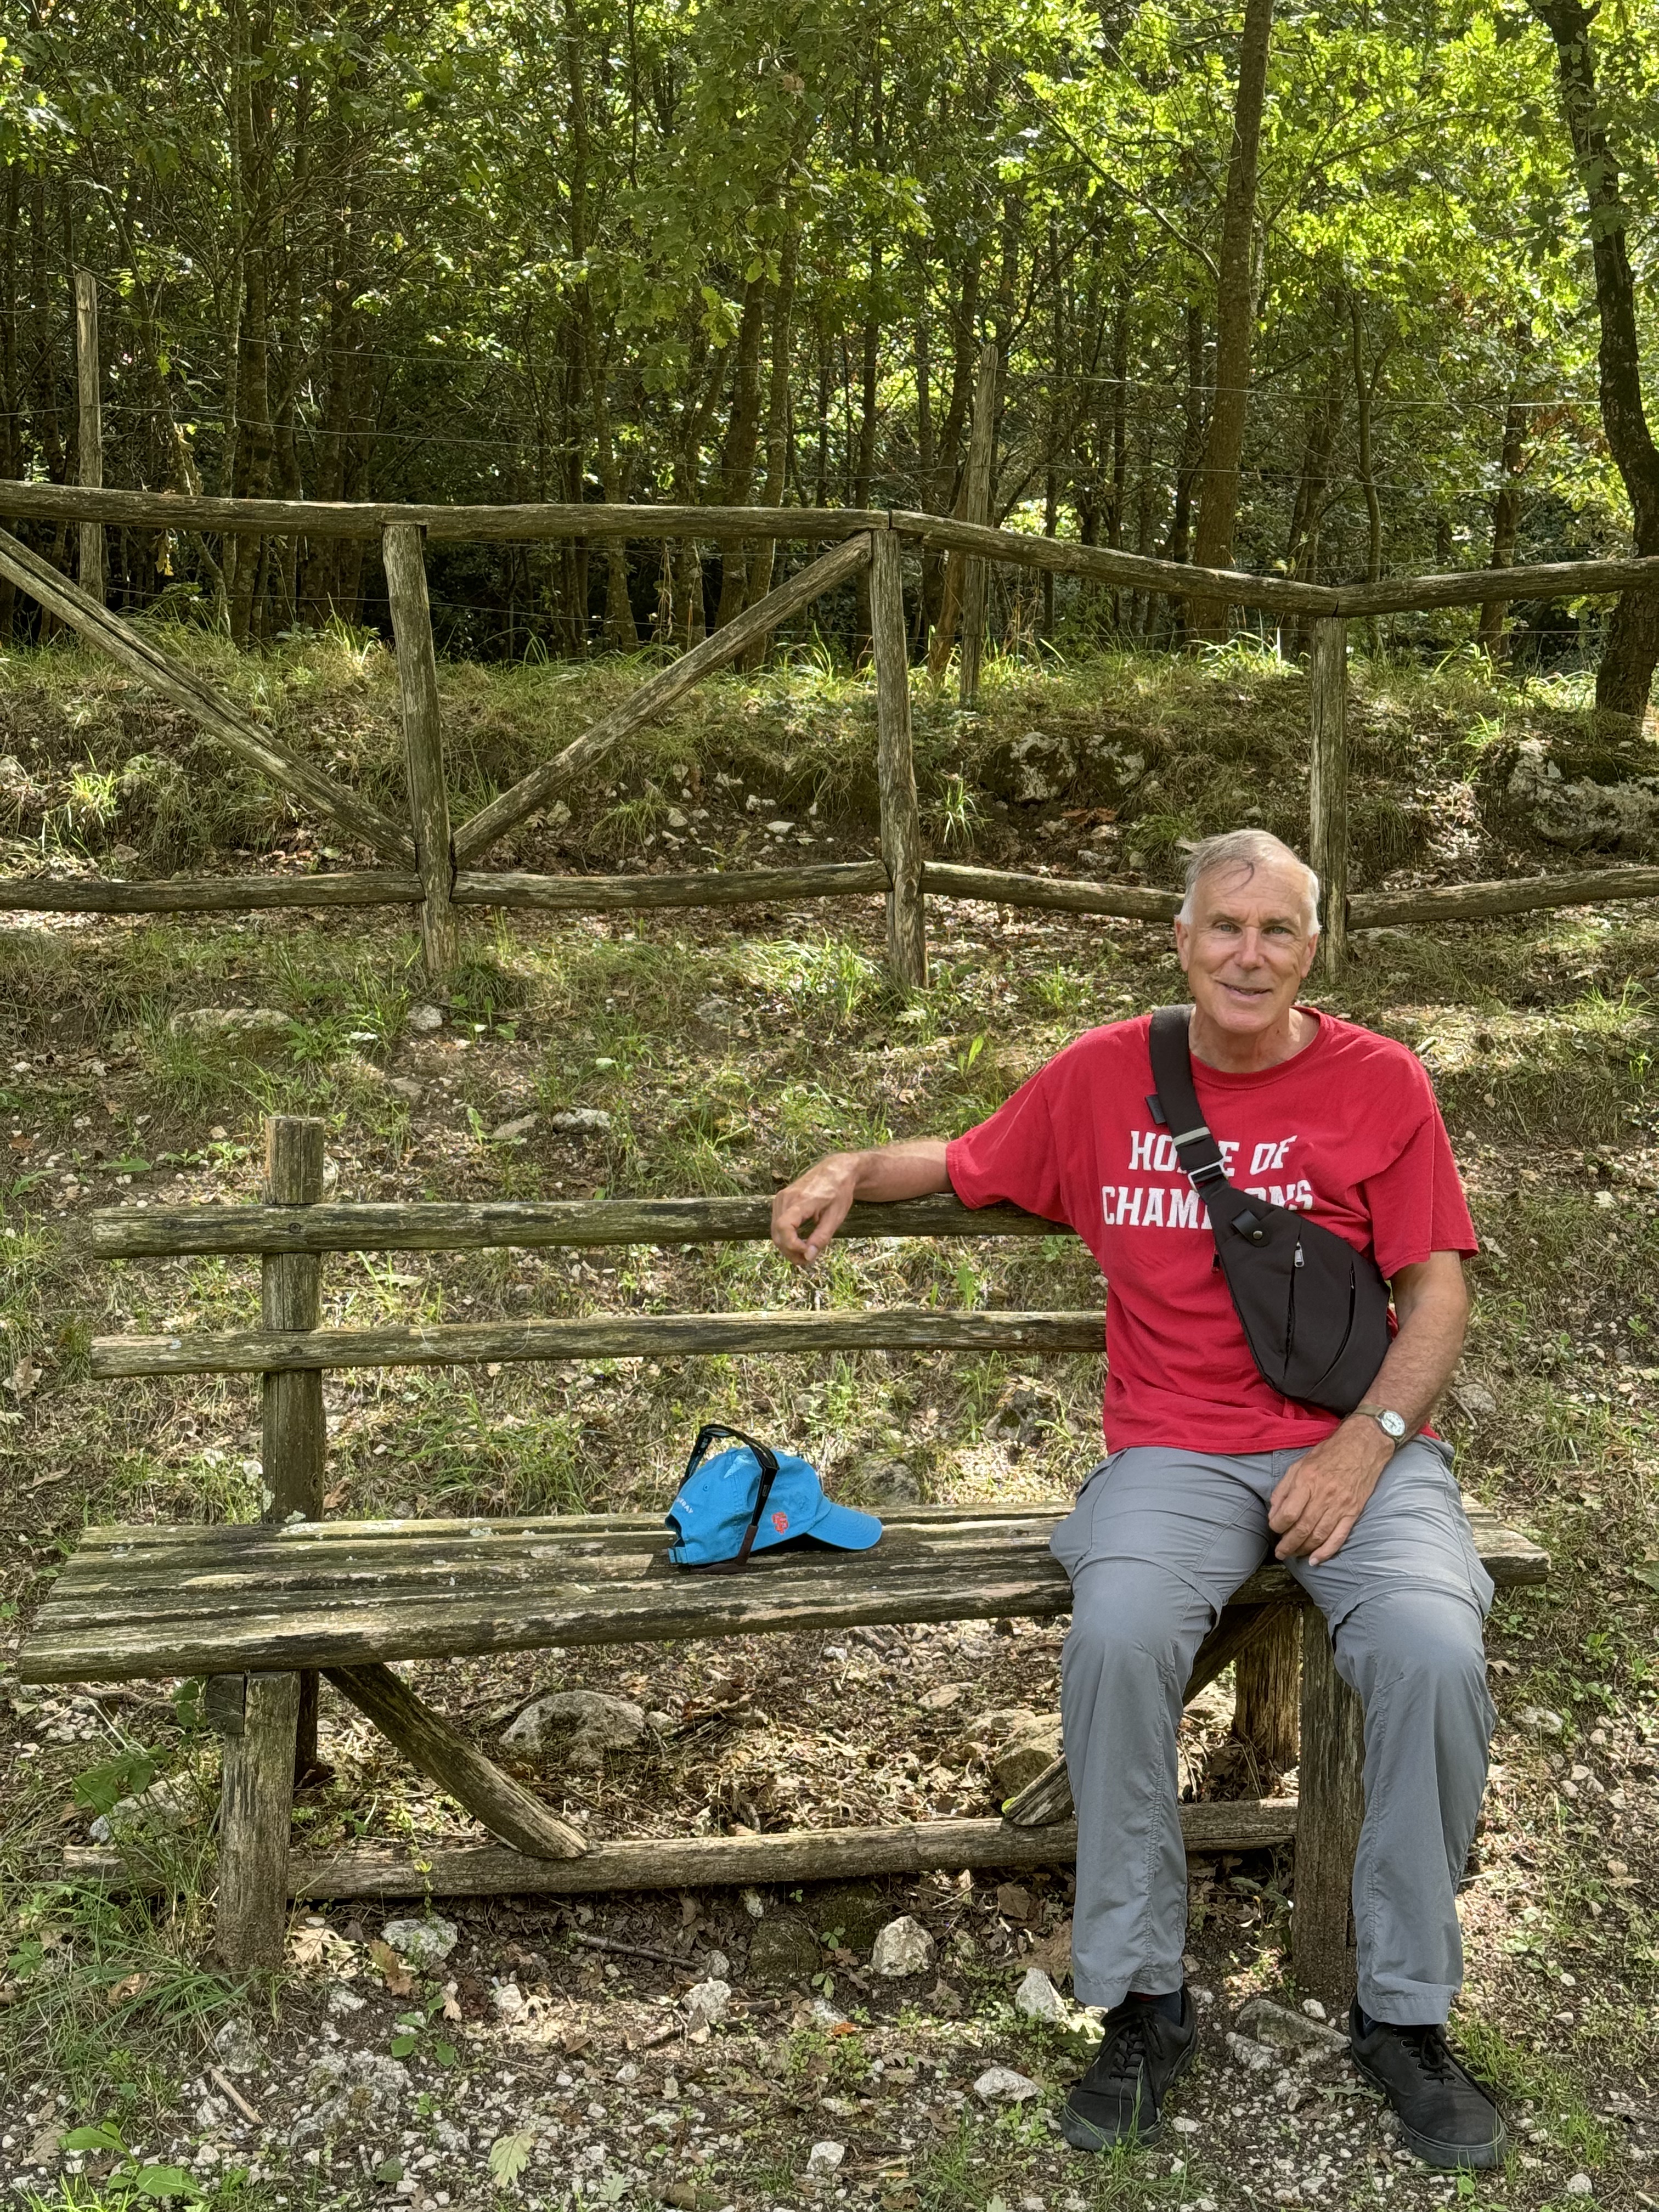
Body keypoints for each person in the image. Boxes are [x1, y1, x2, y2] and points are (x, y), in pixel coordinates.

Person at [770, 828, 1505, 2171]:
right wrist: (851, 1169)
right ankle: (1146, 1999)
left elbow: (1438, 1290)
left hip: (1361, 1445)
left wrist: (1367, 1444)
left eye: (1277, 931)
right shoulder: (1109, 1075)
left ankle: (1402, 2015)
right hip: (1172, 1449)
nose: (1248, 953)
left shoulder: (1379, 1083)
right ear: (1182, 940)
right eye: (1225, 926)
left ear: (1311, 951)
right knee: (1114, 1643)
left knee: (1434, 1654)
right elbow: (973, 1158)